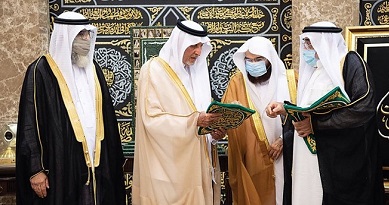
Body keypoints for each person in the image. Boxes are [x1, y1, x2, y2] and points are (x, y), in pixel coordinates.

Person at [266, 21, 384, 205]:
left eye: (310, 43)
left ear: (326, 42)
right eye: (305, 43)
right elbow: (309, 110)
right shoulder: (316, 72)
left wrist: (316, 125)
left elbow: (364, 107)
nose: (306, 48)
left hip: (337, 162)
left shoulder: (349, 62)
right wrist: (286, 108)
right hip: (307, 158)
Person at [16, 11, 126, 205]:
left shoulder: (93, 69)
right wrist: (36, 169)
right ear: (65, 36)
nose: (86, 39)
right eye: (80, 34)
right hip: (60, 163)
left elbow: (107, 117)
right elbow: (29, 125)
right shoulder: (40, 71)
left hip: (97, 163)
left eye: (87, 34)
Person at [132, 19, 226, 205]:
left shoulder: (196, 73)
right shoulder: (153, 71)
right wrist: (194, 121)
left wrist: (213, 134)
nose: (198, 52)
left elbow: (201, 119)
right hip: (166, 172)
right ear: (180, 43)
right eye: (193, 46)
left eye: (201, 46)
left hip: (197, 169)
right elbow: (151, 120)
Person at [221, 36, 294, 205]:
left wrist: (284, 140)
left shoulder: (290, 81)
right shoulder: (238, 83)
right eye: (249, 60)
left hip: (287, 154)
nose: (253, 64)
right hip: (254, 160)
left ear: (269, 59)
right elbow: (225, 119)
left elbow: (304, 116)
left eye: (258, 59)